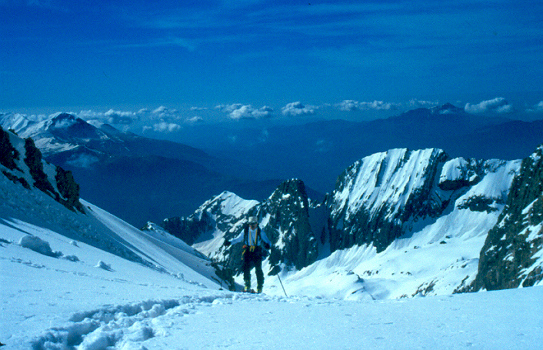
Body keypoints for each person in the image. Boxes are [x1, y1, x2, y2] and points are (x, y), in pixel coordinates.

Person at [224, 216, 271, 293]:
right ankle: (247, 284)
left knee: (258, 269)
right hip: (248, 250)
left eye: (254, 224)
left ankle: (259, 286)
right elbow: (238, 239)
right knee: (246, 268)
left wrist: (268, 245)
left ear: (257, 224)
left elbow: (268, 242)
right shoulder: (246, 231)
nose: (252, 225)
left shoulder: (260, 232)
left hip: (256, 251)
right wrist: (229, 242)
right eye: (251, 224)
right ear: (248, 224)